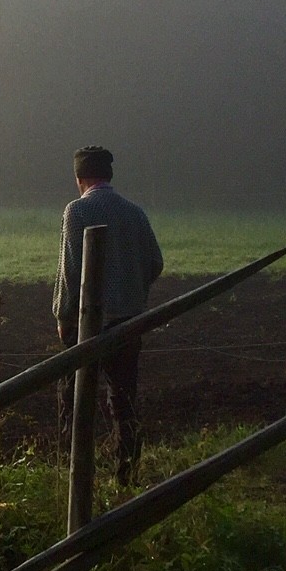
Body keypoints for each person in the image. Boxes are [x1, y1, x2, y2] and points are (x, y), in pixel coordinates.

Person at [52, 145, 164, 485]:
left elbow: (71, 271)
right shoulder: (135, 213)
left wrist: (63, 315)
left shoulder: (77, 212)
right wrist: (133, 291)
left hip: (88, 325)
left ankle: (73, 473)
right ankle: (126, 473)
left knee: (74, 399)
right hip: (128, 322)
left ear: (80, 178)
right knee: (124, 399)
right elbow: (155, 262)